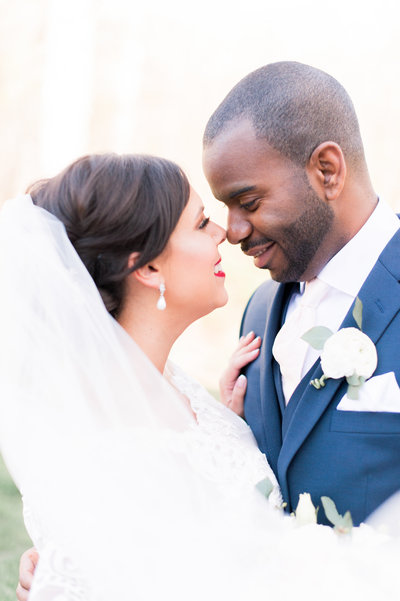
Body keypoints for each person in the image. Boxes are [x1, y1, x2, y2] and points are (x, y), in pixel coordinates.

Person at [7, 152, 400, 601]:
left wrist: (234, 423)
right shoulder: (102, 439)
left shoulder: (177, 384)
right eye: (200, 224)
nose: (224, 234)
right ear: (149, 267)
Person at [203, 61, 400, 528]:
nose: (232, 231)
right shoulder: (257, 313)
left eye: (248, 203)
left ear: (327, 170)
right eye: (225, 208)